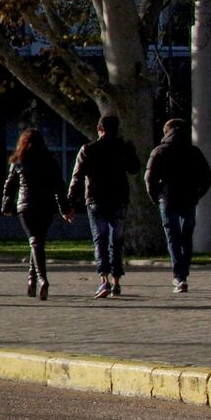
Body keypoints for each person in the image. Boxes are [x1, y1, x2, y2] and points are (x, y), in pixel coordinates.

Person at [66, 113, 139, 299]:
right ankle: (116, 281)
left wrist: (70, 202)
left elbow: (77, 176)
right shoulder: (123, 147)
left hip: (96, 198)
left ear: (100, 130)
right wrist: (129, 151)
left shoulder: (88, 149)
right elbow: (135, 168)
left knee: (100, 238)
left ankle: (103, 279)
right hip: (119, 198)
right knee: (117, 240)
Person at [146, 117, 211, 295]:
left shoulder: (159, 151)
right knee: (186, 237)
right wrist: (198, 194)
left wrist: (155, 196)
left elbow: (150, 178)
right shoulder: (194, 152)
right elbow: (207, 177)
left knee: (173, 238)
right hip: (189, 199)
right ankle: (184, 273)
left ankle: (179, 276)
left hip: (167, 199)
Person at [1, 127, 68, 300]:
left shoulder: (18, 161)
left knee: (35, 241)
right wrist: (64, 207)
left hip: (26, 207)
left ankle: (41, 279)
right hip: (45, 207)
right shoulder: (51, 161)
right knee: (37, 242)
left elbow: (9, 186)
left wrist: (6, 205)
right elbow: (59, 187)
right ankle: (32, 280)